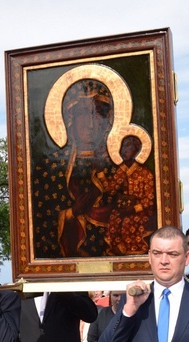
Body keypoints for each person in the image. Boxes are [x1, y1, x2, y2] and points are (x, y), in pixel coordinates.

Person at [33, 79, 117, 258]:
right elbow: (40, 224)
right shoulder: (51, 166)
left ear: (108, 119)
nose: (91, 124)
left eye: (98, 114)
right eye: (83, 114)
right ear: (70, 118)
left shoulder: (116, 167)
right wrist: (71, 213)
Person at [101, 134, 156, 255]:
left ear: (136, 151)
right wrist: (101, 175)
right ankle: (116, 253)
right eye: (122, 147)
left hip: (140, 211)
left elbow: (149, 199)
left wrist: (134, 209)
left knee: (128, 222)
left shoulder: (145, 173)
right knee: (114, 219)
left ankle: (133, 255)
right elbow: (111, 189)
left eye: (128, 147)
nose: (123, 150)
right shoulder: (121, 170)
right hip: (123, 208)